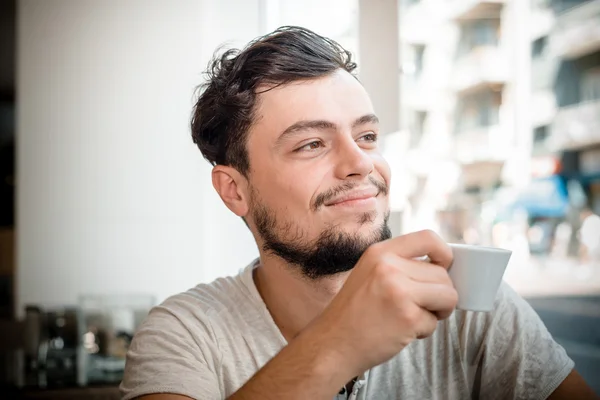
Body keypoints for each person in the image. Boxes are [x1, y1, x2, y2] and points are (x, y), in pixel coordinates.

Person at [120, 27, 597, 400]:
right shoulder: (186, 334)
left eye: (367, 137)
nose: (360, 164)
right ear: (234, 190)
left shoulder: (470, 307)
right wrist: (339, 343)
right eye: (311, 144)